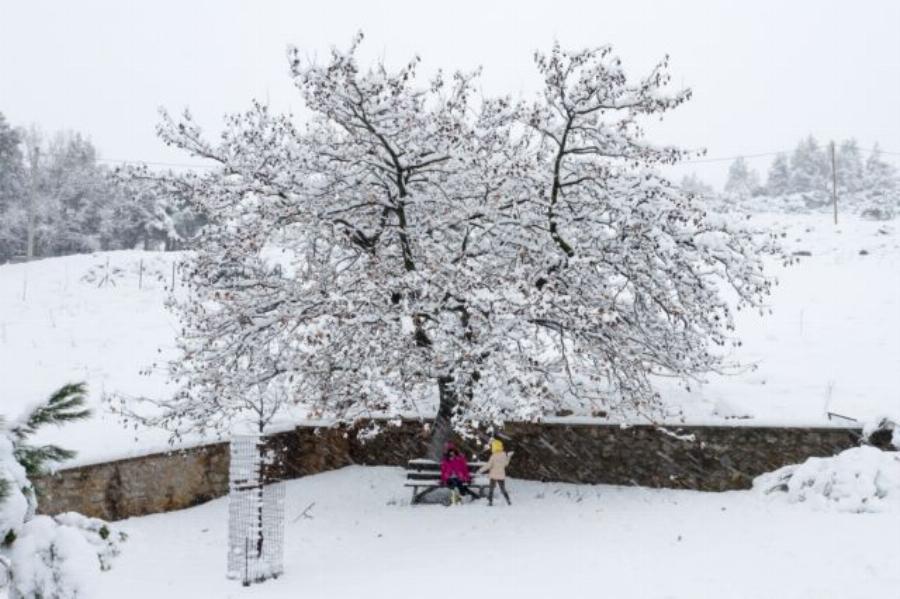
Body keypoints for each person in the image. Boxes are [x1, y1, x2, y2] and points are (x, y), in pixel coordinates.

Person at [479, 439, 512, 506]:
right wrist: (509, 457)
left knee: (491, 489)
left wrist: (480, 470)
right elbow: (506, 464)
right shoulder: (503, 455)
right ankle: (508, 500)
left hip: (493, 475)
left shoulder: (493, 456)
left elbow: (488, 465)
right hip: (501, 475)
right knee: (503, 489)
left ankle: (490, 502)